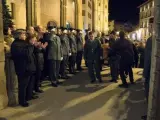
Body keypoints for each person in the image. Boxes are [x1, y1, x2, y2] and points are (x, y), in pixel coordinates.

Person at [11, 30, 38, 107]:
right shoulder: (16, 44)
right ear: (19, 36)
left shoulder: (22, 43)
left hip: (27, 67)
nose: (25, 36)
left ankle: (27, 97)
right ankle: (22, 101)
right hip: (22, 68)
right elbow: (25, 54)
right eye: (23, 34)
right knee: (23, 85)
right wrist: (31, 45)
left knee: (27, 84)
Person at [141, 17, 154, 120]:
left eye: (150, 25)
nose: (148, 27)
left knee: (149, 95)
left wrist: (144, 75)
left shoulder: (151, 40)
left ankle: (150, 115)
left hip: (151, 73)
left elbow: (148, 60)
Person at [4, 27, 17, 106]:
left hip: (12, 60)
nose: (11, 30)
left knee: (14, 81)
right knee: (11, 81)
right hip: (10, 61)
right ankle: (13, 100)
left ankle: (14, 99)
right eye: (9, 29)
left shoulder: (10, 38)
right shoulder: (7, 39)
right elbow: (8, 50)